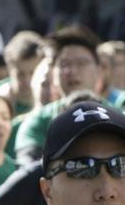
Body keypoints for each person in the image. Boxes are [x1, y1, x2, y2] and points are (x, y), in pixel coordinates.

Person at [14, 24, 102, 165]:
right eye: (64, 64)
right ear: (53, 73)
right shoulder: (38, 123)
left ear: (98, 70)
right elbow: (29, 170)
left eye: (81, 63)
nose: (72, 71)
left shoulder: (120, 116)